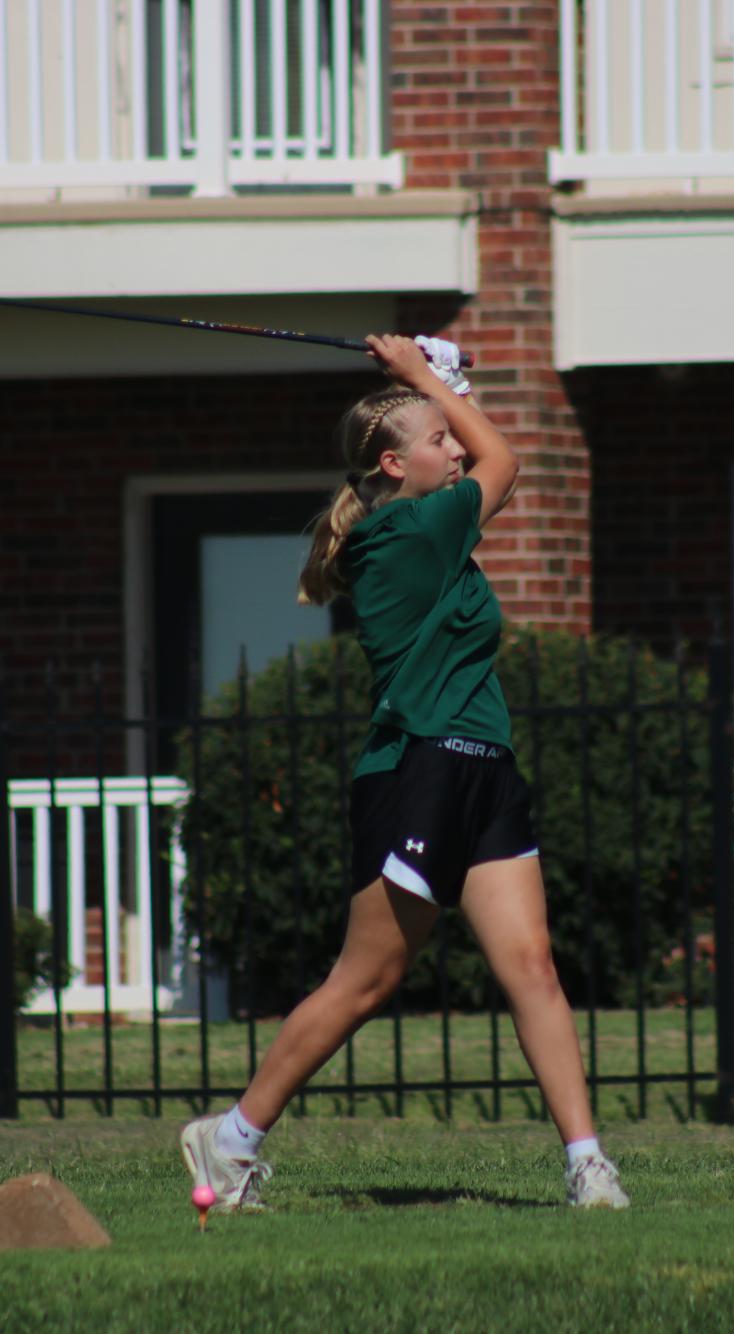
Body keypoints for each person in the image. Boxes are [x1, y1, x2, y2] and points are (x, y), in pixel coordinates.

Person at [178, 333, 630, 1211]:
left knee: (532, 965)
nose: (454, 451)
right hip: (415, 769)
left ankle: (587, 1164)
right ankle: (228, 1140)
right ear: (393, 465)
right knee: (367, 981)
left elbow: (468, 447)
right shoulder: (409, 531)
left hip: (484, 767)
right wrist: (425, 379)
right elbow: (503, 458)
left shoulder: (432, 522)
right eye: (435, 444)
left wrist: (440, 384)